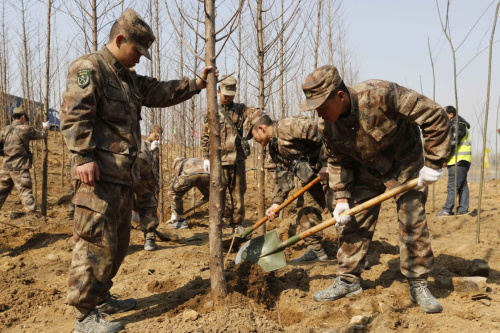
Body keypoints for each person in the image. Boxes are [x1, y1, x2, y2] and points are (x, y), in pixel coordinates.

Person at [60, 8, 215, 333]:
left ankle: (101, 298)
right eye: (137, 52)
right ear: (120, 40)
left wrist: (196, 84)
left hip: (121, 180)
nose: (140, 60)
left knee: (116, 246)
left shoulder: (128, 78)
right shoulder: (90, 68)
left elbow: (159, 91)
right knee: (94, 245)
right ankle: (84, 316)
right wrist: (83, 156)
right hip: (96, 179)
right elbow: (75, 114)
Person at [300, 65, 450, 313]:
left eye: (322, 106)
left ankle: (418, 282)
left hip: (405, 165)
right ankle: (348, 280)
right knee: (354, 220)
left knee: (412, 221)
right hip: (366, 169)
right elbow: (338, 161)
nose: (318, 113)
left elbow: (434, 115)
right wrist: (341, 198)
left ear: (340, 96)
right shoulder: (327, 126)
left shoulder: (381, 94)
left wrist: (433, 162)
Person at [245, 109, 331, 262]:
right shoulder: (273, 149)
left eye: (253, 136)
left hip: (332, 170)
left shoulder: (291, 126)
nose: (254, 140)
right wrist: (276, 203)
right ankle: (317, 252)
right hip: (313, 177)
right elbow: (283, 177)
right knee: (305, 212)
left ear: (261, 129)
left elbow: (327, 135)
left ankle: (356, 254)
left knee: (341, 211)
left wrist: (327, 163)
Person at [200, 75, 254, 234]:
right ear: (218, 91)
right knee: (219, 195)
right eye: (225, 95)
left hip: (237, 160)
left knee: (238, 194)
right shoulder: (212, 111)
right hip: (219, 161)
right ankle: (220, 224)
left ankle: (237, 225)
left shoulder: (240, 109)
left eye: (231, 96)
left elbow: (251, 113)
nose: (228, 98)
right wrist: (205, 157)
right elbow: (205, 136)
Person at [0, 106, 49, 217]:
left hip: (6, 166)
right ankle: (31, 216)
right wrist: (45, 128)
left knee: (1, 190)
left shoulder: (4, 130)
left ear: (13, 118)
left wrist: (7, 153)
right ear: (23, 117)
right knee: (25, 191)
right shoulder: (26, 129)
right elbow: (42, 135)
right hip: (20, 167)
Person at [437, 106, 471, 216]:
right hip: (462, 160)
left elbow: (452, 143)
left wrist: (444, 157)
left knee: (453, 185)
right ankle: (463, 209)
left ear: (451, 114)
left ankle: (447, 209)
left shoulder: (457, 124)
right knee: (462, 185)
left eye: (444, 114)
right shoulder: (458, 124)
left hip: (458, 160)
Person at [134, 125, 162, 251]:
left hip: (143, 174)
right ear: (150, 133)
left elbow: (154, 167)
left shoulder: (153, 147)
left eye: (159, 137)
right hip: (133, 167)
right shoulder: (142, 143)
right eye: (156, 136)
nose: (157, 138)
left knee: (147, 200)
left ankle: (149, 237)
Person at [168, 157, 209, 229]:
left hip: (191, 175)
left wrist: (174, 214)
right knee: (212, 196)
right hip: (207, 174)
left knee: (173, 192)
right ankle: (228, 217)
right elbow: (198, 178)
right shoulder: (195, 160)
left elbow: (174, 183)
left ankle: (179, 221)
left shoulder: (179, 165)